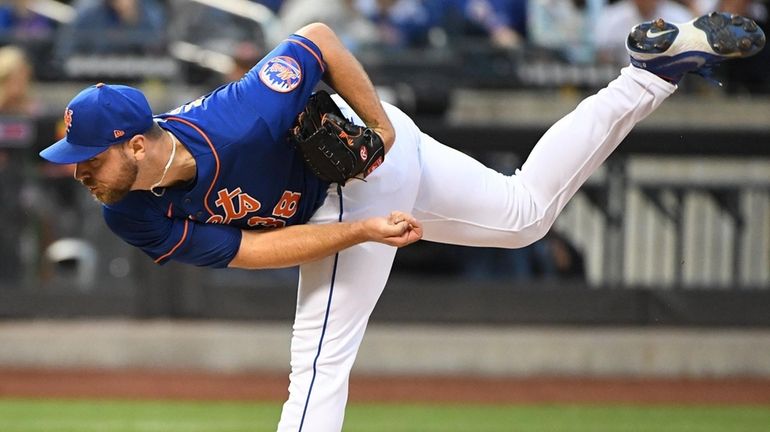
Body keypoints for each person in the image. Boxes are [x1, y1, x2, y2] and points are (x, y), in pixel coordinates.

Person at [39, 13, 764, 432]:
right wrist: (359, 233)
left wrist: (380, 129)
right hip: (341, 198)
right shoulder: (131, 209)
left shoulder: (238, 119)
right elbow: (249, 254)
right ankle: (650, 73)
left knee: (319, 359)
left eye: (87, 159)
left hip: (369, 155)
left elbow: (317, 38)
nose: (77, 172)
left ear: (135, 144)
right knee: (524, 216)